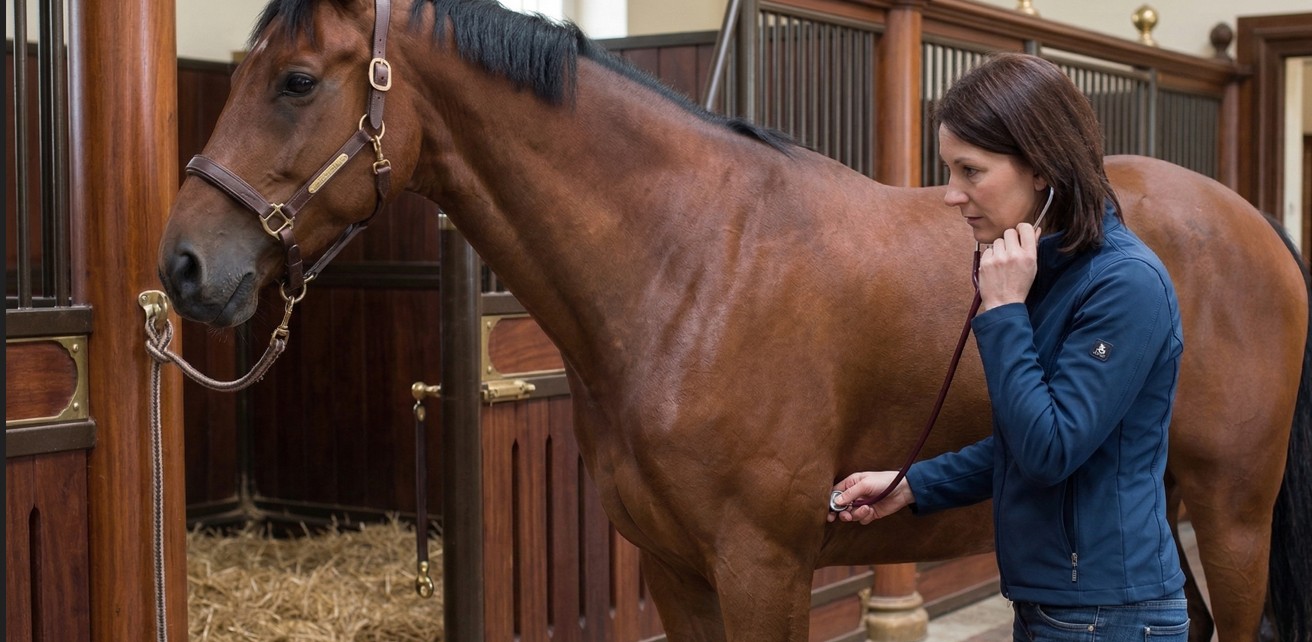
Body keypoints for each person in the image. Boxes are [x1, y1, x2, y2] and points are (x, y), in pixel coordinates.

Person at [829, 53, 1188, 641]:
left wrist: (1003, 313)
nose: (951, 195)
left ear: (1042, 167)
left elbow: (1050, 451)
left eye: (970, 171)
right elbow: (1024, 442)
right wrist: (911, 483)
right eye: (949, 171)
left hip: (1109, 614)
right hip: (1057, 606)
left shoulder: (1125, 285)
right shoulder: (1049, 270)